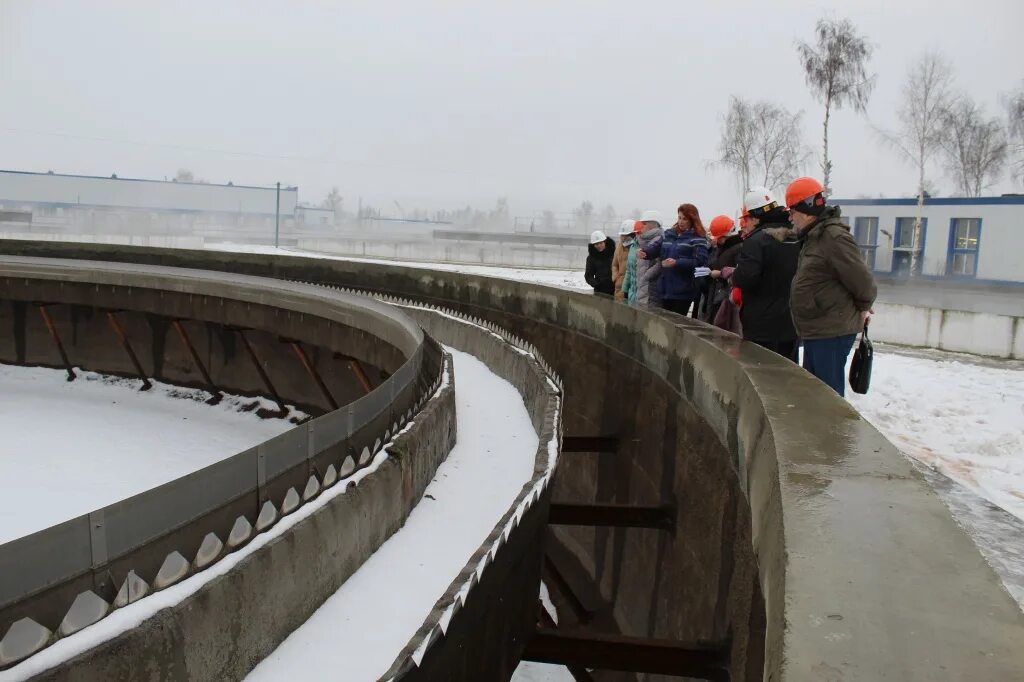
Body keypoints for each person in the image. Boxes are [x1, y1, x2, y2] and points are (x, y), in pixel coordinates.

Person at [786, 177, 877, 396]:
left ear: (806, 210)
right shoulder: (815, 236)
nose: (790, 217)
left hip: (831, 328)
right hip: (818, 327)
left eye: (792, 212)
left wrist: (864, 305)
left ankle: (831, 431)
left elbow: (862, 279)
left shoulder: (833, 237)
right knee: (815, 392)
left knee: (827, 395)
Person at [731, 187, 802, 361]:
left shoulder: (756, 241)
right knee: (787, 375)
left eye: (747, 218)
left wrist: (734, 274)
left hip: (761, 326)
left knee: (761, 377)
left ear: (755, 217)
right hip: (791, 324)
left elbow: (745, 278)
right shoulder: (796, 237)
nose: (745, 223)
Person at [640, 204, 709, 316]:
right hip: (665, 288)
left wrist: (677, 263)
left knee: (676, 324)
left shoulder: (698, 238)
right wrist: (646, 252)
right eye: (679, 218)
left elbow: (700, 261)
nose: (681, 221)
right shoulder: (669, 234)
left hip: (683, 290)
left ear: (692, 220)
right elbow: (656, 247)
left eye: (685, 219)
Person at [702, 214, 743, 323]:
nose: (717, 241)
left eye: (718, 238)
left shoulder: (738, 249)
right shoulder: (724, 248)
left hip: (726, 297)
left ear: (725, 236)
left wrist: (719, 274)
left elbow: (739, 273)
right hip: (717, 293)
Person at [633, 211, 664, 307]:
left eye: (645, 223)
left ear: (653, 224)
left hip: (651, 289)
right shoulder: (643, 241)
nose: (642, 226)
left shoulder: (659, 240)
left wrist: (646, 276)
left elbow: (660, 264)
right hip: (642, 286)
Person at [584, 230, 616, 296]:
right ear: (593, 245)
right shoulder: (591, 258)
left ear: (605, 242)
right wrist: (597, 285)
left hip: (616, 289)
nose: (599, 246)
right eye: (596, 244)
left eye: (601, 243)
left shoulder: (614, 253)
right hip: (600, 291)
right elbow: (588, 275)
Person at [611, 219, 635, 301]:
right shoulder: (619, 247)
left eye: (626, 236)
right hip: (619, 287)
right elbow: (614, 265)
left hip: (632, 289)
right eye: (622, 235)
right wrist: (615, 276)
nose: (624, 238)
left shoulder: (638, 248)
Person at [622, 221, 641, 304]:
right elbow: (629, 270)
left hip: (642, 295)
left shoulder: (649, 247)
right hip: (631, 293)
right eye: (636, 233)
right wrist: (625, 289)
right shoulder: (633, 247)